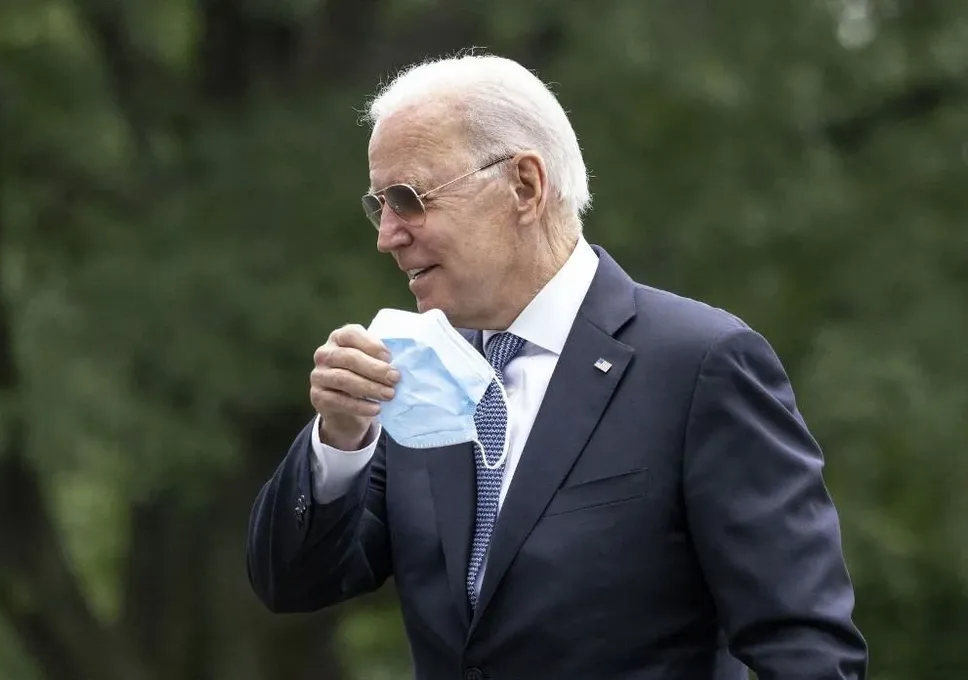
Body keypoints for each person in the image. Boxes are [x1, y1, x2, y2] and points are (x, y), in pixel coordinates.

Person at [246, 52, 868, 680]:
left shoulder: (700, 365)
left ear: (525, 185)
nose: (387, 235)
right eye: (378, 205)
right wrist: (340, 439)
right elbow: (291, 583)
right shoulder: (420, 371)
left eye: (408, 199)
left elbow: (805, 649)